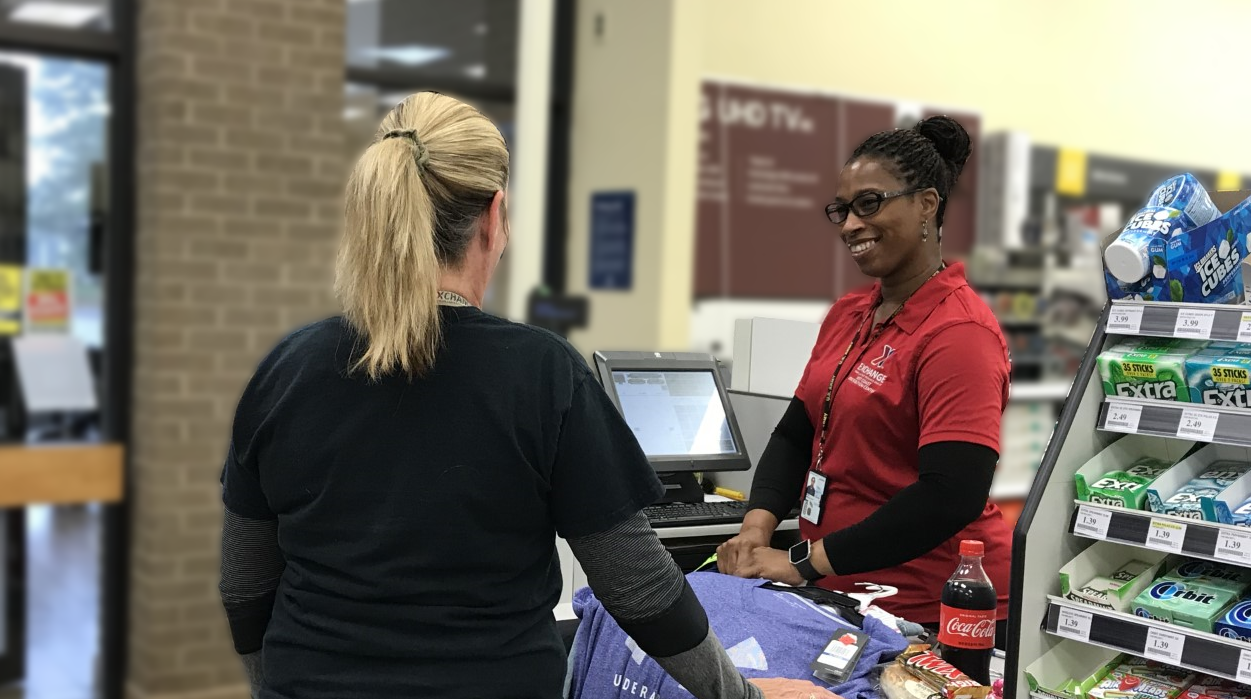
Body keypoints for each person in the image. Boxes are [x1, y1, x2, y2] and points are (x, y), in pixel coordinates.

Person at [216, 92, 838, 699]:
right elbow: (640, 587)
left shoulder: (288, 368)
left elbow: (245, 580)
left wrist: (274, 684)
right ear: (495, 215)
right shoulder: (543, 375)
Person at [717, 115, 1012, 640]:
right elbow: (796, 432)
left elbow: (951, 493)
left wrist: (805, 562)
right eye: (842, 209)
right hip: (840, 590)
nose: (851, 223)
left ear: (926, 204)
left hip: (929, 606)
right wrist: (755, 529)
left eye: (869, 203)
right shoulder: (849, 314)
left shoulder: (960, 332)